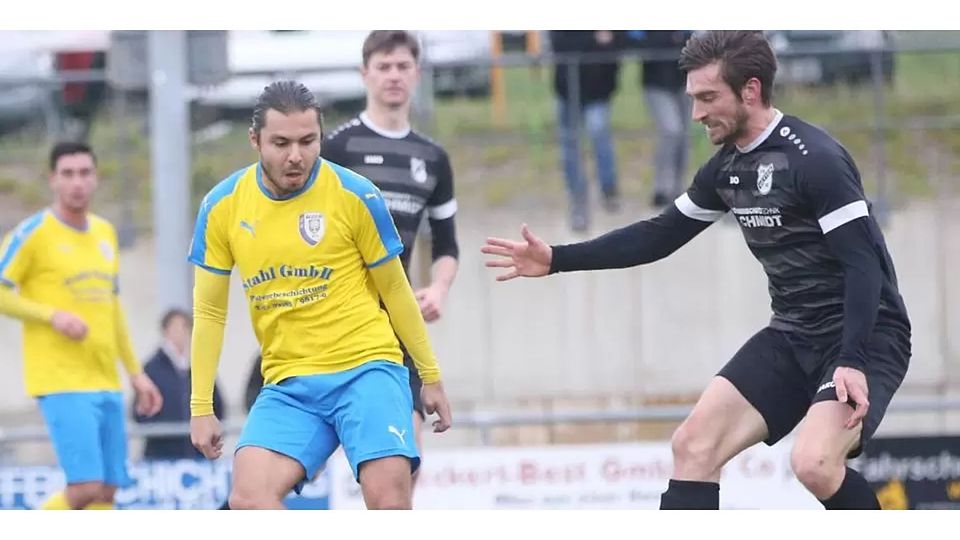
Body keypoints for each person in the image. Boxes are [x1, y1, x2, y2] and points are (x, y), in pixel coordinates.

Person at [481, 31, 910, 510]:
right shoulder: (725, 169)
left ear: (750, 90)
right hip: (794, 333)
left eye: (708, 98)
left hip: (865, 334)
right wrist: (558, 259)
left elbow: (862, 263)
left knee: (813, 463)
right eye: (692, 99)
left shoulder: (817, 160)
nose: (697, 114)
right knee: (693, 446)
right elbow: (660, 235)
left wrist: (851, 357)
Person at [187, 80, 452, 510]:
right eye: (281, 143)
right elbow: (210, 312)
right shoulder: (222, 206)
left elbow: (396, 291)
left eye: (308, 141)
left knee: (389, 503)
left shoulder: (356, 195)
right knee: (248, 500)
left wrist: (431, 375)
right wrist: (200, 405)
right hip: (290, 384)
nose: (296, 155)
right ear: (254, 140)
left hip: (367, 370)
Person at [321, 30, 460, 487]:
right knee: (301, 466)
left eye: (402, 66)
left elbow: (446, 245)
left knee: (406, 465)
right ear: (365, 74)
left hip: (397, 328)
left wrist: (439, 287)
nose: (394, 76)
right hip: (334, 323)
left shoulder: (432, 158)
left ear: (417, 74)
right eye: (383, 67)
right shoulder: (336, 150)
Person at [0, 141, 163, 510]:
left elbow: (113, 308)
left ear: (96, 178)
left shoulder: (104, 233)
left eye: (85, 173)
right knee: (86, 487)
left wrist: (135, 374)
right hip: (61, 381)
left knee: (107, 491)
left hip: (105, 379)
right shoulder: (33, 233)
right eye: (68, 174)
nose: (77, 182)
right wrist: (52, 316)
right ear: (52, 180)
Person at [549, 30, 623, 232]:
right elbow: (560, 44)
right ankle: (577, 197)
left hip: (598, 90)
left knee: (599, 136)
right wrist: (594, 40)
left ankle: (608, 188)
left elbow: (617, 42)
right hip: (568, 90)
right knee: (570, 148)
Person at [134, 308, 226, 460]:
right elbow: (140, 410)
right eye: (174, 327)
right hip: (161, 454)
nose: (179, 333)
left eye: (184, 327)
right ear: (165, 331)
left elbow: (218, 402)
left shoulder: (198, 366)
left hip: (196, 451)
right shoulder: (152, 368)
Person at [627, 30, 693, 207]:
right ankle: (661, 187)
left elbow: (693, 41)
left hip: (684, 81)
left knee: (684, 136)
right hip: (656, 84)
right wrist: (668, 39)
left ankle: (679, 186)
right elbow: (637, 42)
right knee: (671, 130)